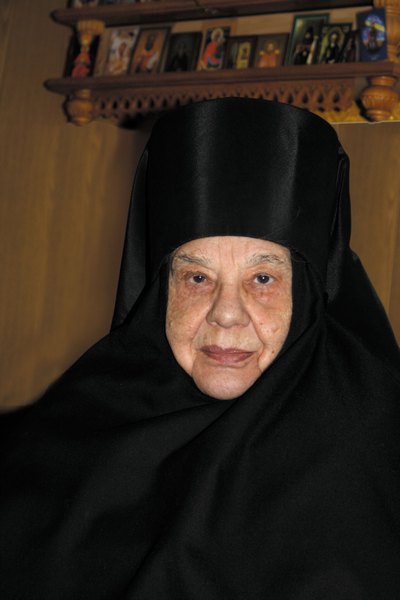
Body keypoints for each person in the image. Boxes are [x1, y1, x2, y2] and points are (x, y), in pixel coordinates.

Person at [0, 98, 399, 599]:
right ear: (160, 290)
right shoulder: (67, 431)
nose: (226, 314)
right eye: (196, 277)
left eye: (262, 278)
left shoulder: (371, 445)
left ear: (307, 294)